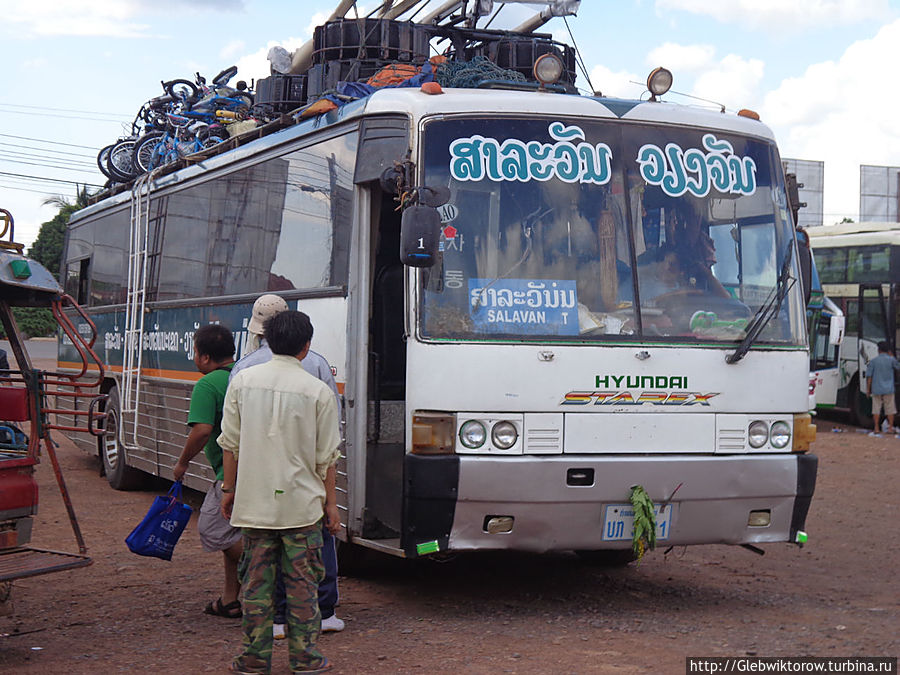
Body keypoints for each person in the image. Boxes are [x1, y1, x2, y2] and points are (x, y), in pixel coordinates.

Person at [219, 310, 341, 675]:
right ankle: (306, 659)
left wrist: (229, 490)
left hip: (254, 504)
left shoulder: (242, 381)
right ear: (306, 347)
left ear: (267, 341)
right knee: (303, 584)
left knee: (256, 585)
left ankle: (254, 659)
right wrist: (331, 506)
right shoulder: (318, 390)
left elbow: (230, 444)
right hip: (302, 508)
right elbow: (327, 458)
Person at [172, 323, 242, 619]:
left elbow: (202, 430)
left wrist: (182, 462)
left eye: (195, 352)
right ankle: (230, 599)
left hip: (231, 473)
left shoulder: (207, 384)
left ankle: (270, 575)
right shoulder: (243, 374)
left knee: (213, 528)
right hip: (256, 468)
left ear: (202, 357)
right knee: (231, 532)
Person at [865, 340, 900, 436]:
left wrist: (868, 390)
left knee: (876, 409)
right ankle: (890, 428)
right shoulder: (891, 360)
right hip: (889, 389)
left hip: (876, 388)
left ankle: (876, 428)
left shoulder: (873, 361)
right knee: (890, 409)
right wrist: (892, 356)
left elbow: (869, 377)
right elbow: (898, 367)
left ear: (879, 350)